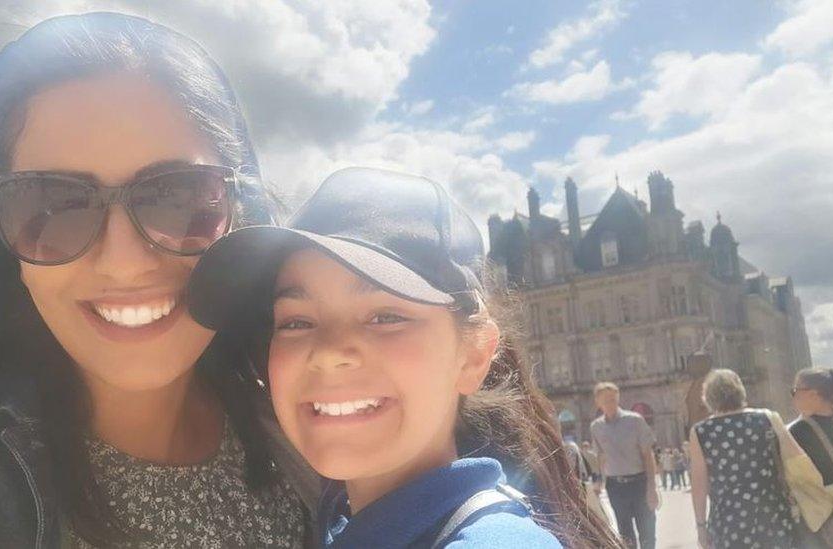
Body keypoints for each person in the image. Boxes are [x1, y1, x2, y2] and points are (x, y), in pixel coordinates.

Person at [0, 13, 311, 547]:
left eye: (178, 196)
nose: (124, 262)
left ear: (239, 212)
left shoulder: (311, 435)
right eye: (52, 204)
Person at [187, 167, 622, 548]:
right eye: (297, 322)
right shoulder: (342, 518)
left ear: (474, 354)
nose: (330, 353)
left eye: (385, 315)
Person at [689, 369, 796, 549]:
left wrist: (701, 526)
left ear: (707, 397)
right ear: (740, 391)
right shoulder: (768, 418)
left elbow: (699, 484)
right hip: (772, 513)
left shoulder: (701, 431)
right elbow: (796, 460)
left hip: (728, 520)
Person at [789, 367, 833, 546]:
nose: (793, 397)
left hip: (825, 526)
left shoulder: (797, 432)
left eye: (795, 391)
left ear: (814, 394)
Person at [590, 382, 659, 549]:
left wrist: (652, 488)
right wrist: (599, 481)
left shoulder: (635, 420)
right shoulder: (596, 427)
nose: (611, 402)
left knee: (647, 533)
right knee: (625, 535)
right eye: (606, 400)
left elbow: (648, 455)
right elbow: (600, 456)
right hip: (615, 487)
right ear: (598, 402)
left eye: (613, 398)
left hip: (639, 483)